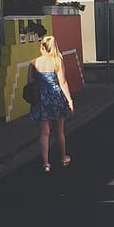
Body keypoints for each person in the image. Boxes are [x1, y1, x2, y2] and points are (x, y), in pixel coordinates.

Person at [28, 34, 75, 173]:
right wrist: (70, 101)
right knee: (59, 131)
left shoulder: (33, 62)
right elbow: (63, 82)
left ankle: (46, 163)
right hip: (55, 98)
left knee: (44, 132)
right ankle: (63, 157)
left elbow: (30, 83)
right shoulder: (57, 61)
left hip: (41, 99)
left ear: (42, 46)